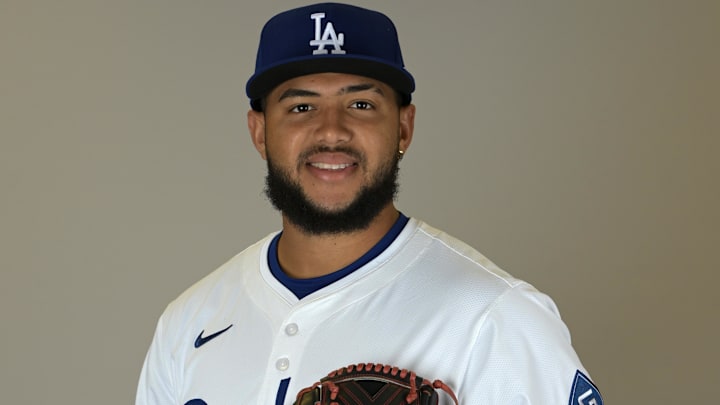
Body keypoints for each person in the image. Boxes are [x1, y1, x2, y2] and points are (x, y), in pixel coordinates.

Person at [136, 3, 603, 404]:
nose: (331, 131)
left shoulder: (496, 319)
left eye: (361, 105)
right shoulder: (188, 323)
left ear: (403, 128)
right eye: (301, 107)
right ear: (260, 132)